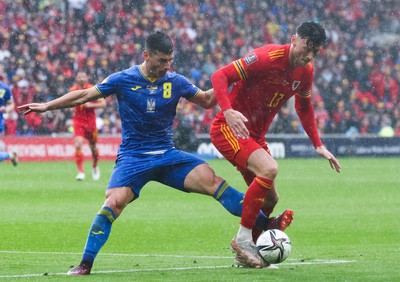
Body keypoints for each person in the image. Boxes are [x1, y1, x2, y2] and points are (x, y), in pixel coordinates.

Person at [18, 31, 275, 276]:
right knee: (113, 203)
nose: (167, 66)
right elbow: (85, 95)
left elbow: (207, 100)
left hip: (167, 155)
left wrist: (235, 79)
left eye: (170, 61)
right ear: (146, 55)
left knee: (214, 183)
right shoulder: (122, 79)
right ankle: (85, 264)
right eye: (162, 60)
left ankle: (267, 225)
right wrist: (47, 106)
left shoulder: (176, 81)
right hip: (134, 157)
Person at [210, 21, 342, 268]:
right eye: (307, 47)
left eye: (316, 51)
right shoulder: (266, 57)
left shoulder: (307, 71)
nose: (310, 55)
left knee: (270, 200)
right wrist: (227, 111)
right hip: (228, 128)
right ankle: (243, 240)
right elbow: (220, 75)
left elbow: (303, 107)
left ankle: (250, 251)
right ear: (294, 39)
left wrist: (318, 144)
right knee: (269, 169)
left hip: (255, 137)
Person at [69, 70, 106, 181]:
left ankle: (95, 166)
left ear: (87, 77)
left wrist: (90, 105)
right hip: (78, 121)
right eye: (79, 76)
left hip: (90, 123)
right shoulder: (72, 90)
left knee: (93, 148)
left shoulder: (93, 89)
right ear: (76, 78)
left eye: (83, 76)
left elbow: (103, 104)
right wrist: (71, 107)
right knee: (78, 144)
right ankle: (81, 172)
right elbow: (69, 103)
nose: (81, 78)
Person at [0, 76, 17, 166]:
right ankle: (9, 155)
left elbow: (11, 104)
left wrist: (6, 109)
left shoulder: (4, 88)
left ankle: (8, 155)